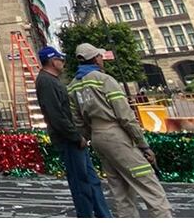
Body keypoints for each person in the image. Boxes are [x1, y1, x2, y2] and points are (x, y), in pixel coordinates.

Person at [69, 43, 172, 218]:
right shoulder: (104, 80)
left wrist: (87, 137)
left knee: (120, 192)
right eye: (100, 56)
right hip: (117, 135)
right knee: (150, 188)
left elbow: (78, 120)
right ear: (95, 58)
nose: (102, 59)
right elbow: (125, 115)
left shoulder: (73, 86)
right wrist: (143, 145)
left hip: (98, 137)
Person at [34, 46, 112, 218]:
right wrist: (75, 136)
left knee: (92, 181)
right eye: (60, 59)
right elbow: (55, 115)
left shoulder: (52, 80)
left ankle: (103, 216)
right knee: (80, 184)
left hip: (75, 138)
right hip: (68, 140)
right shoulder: (46, 81)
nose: (63, 62)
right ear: (53, 61)